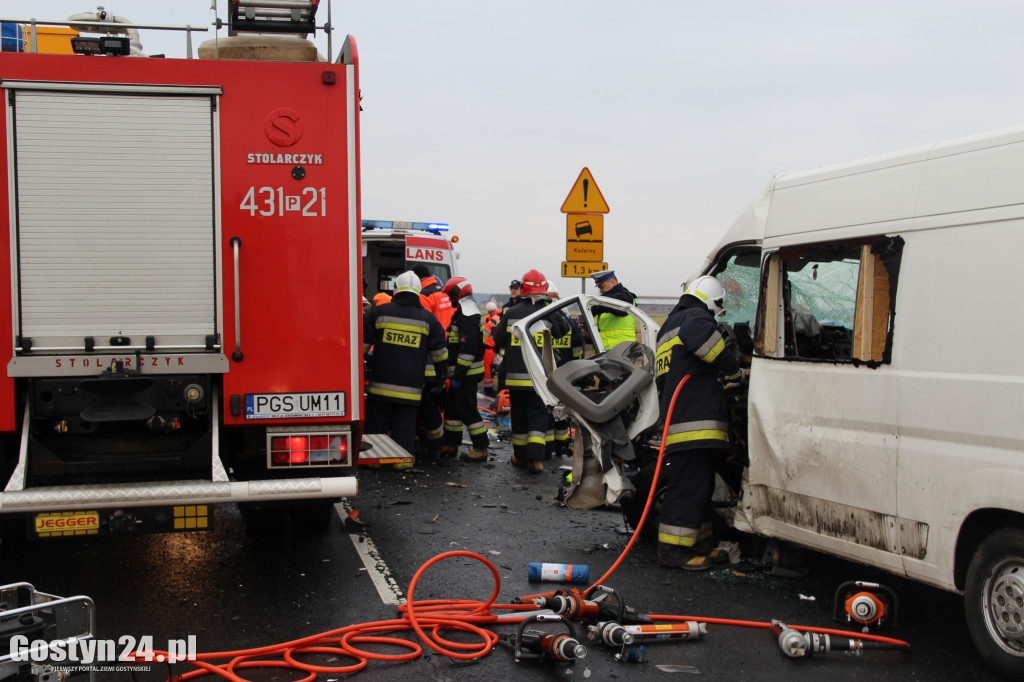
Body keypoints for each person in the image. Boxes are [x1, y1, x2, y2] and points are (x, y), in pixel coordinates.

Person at [654, 274, 743, 571]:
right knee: (688, 487)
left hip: (679, 421)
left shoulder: (669, 325)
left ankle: (700, 542)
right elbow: (711, 348)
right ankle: (673, 552)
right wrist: (733, 369)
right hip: (695, 421)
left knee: (699, 485)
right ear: (711, 301)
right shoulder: (694, 317)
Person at [363, 271, 448, 462]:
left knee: (377, 424)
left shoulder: (378, 313)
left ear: (396, 289)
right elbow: (440, 355)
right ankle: (401, 462)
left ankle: (374, 461)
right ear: (419, 291)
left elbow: (363, 346)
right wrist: (441, 378)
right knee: (404, 425)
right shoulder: (429, 319)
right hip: (410, 388)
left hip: (380, 385)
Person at [491, 269, 569, 474]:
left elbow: (497, 340)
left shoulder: (511, 313)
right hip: (539, 378)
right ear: (543, 290)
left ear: (523, 290)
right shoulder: (548, 312)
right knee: (538, 416)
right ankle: (536, 459)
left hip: (515, 377)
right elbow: (564, 330)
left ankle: (520, 456)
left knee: (519, 417)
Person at [439, 277, 489, 461]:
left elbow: (467, 350)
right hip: (459, 372)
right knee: (452, 409)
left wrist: (459, 375)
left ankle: (481, 447)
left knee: (468, 409)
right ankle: (451, 444)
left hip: (466, 373)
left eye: (450, 294)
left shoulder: (467, 315)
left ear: (457, 293)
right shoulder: (463, 312)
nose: (449, 298)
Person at [411, 264, 455, 458]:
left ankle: (429, 445)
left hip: (431, 355)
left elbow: (423, 324)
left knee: (427, 404)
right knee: (441, 402)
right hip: (448, 351)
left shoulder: (424, 296)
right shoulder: (443, 292)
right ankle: (441, 443)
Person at [590, 269, 638, 350]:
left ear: (612, 282)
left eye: (602, 287)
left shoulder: (624, 296)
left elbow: (617, 310)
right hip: (606, 352)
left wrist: (591, 308)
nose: (600, 291)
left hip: (621, 352)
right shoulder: (605, 301)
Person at [481, 301, 501, 394]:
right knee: (488, 369)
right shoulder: (488, 319)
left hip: (496, 348)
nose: (491, 314)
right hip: (489, 348)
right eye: (489, 312)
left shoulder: (499, 316)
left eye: (492, 312)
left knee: (493, 369)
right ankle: (488, 389)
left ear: (496, 309)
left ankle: (491, 389)